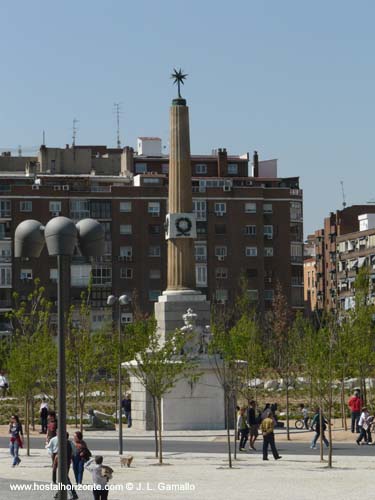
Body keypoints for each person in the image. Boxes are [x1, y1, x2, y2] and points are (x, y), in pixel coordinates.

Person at [50, 433, 78, 500]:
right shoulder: (70, 443)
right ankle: (59, 493)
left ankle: (73, 494)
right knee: (63, 478)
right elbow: (75, 452)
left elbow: (57, 454)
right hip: (67, 463)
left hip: (62, 463)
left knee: (65, 478)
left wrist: (55, 462)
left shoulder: (61, 443)